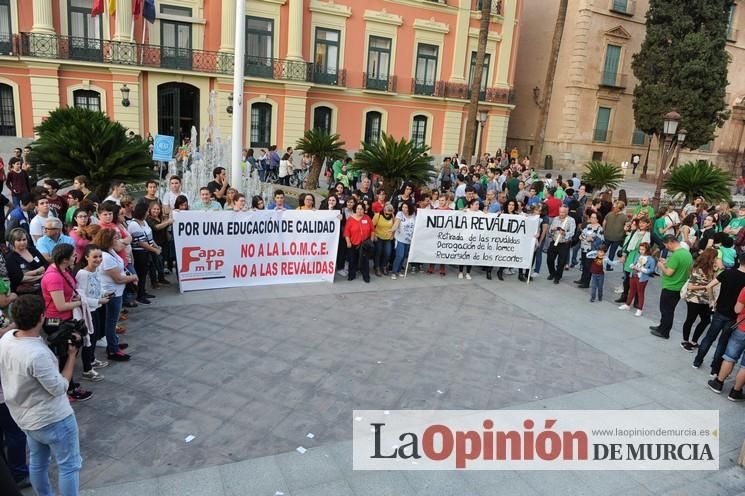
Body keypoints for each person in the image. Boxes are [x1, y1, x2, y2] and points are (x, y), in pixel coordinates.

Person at [0, 295, 82, 496]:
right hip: (53, 418)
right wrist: (71, 356)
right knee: (69, 465)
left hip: (24, 416)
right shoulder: (37, 354)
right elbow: (59, 387)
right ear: (41, 317)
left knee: (37, 461)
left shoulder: (7, 339)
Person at [40, 244, 92, 402]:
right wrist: (81, 303)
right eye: (73, 255)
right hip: (57, 321)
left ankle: (68, 385)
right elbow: (60, 305)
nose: (76, 256)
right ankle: (67, 389)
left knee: (70, 352)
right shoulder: (54, 277)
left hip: (67, 319)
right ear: (64, 259)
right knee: (66, 354)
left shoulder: (63, 270)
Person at [693, 253, 745, 373]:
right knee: (723, 342)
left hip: (720, 310)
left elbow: (709, 286)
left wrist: (712, 300)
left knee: (709, 337)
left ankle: (697, 361)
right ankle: (714, 369)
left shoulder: (727, 272)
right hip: (734, 315)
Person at [92, 228, 137, 362]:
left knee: (111, 320)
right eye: (116, 238)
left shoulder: (110, 251)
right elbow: (118, 278)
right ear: (109, 240)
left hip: (117, 291)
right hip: (112, 292)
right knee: (111, 322)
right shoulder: (105, 257)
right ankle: (113, 350)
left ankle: (113, 343)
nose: (118, 240)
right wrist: (132, 277)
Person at [650, 235, 693, 339]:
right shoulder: (687, 254)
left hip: (671, 286)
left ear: (670, 242)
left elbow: (669, 272)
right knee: (669, 309)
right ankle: (661, 327)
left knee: (666, 310)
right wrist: (667, 263)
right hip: (679, 285)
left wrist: (661, 266)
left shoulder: (676, 255)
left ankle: (664, 332)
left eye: (666, 245)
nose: (666, 248)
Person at [707, 284, 745, 401]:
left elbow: (737, 309)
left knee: (730, 357)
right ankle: (735, 392)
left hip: (742, 328)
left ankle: (718, 383)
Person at [680, 248, 717, 352]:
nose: (716, 259)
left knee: (705, 320)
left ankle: (694, 341)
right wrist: (705, 286)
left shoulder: (711, 269)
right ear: (710, 258)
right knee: (690, 319)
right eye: (715, 257)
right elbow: (691, 287)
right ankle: (685, 341)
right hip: (694, 298)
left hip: (704, 299)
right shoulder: (697, 269)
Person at [128, 202, 161, 305]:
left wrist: (156, 246)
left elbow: (149, 237)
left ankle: (143, 292)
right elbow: (141, 242)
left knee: (144, 273)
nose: (148, 213)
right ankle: (140, 295)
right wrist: (155, 250)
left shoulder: (144, 222)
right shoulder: (134, 224)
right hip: (139, 253)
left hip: (147, 252)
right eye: (147, 211)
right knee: (141, 274)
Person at [618, 242, 655, 317]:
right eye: (640, 249)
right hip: (633, 275)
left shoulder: (651, 259)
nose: (641, 251)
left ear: (647, 250)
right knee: (631, 291)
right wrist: (632, 266)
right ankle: (627, 304)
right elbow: (633, 263)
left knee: (640, 293)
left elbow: (651, 270)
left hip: (642, 278)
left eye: (643, 249)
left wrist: (642, 269)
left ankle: (639, 309)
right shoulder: (638, 256)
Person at [6, 228, 47, 295]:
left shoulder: (32, 250)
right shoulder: (10, 257)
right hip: (24, 294)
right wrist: (41, 276)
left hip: (42, 289)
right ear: (13, 242)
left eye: (24, 239)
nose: (22, 242)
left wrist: (32, 272)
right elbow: (19, 278)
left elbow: (46, 264)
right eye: (19, 240)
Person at [343, 202, 373, 283]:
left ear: (364, 210)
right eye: (358, 209)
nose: (359, 210)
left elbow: (372, 230)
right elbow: (346, 232)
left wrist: (372, 240)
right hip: (353, 243)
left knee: (365, 260)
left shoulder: (367, 218)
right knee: (352, 260)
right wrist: (348, 242)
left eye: (361, 209)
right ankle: (351, 275)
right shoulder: (350, 219)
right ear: (355, 209)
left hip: (364, 244)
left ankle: (366, 276)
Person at [546, 206, 576, 284]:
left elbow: (572, 232)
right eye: (560, 212)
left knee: (561, 262)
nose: (561, 214)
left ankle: (558, 277)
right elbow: (550, 230)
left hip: (564, 243)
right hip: (554, 241)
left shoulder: (571, 220)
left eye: (563, 212)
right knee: (549, 259)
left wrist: (564, 233)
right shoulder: (555, 219)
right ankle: (552, 273)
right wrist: (553, 230)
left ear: (567, 212)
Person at [576, 212, 604, 288]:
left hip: (591, 250)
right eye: (591, 217)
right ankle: (582, 279)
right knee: (584, 264)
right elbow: (583, 233)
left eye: (594, 217)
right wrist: (582, 236)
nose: (591, 219)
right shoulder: (588, 225)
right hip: (584, 248)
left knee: (588, 266)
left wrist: (592, 240)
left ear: (598, 219)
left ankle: (586, 283)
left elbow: (600, 241)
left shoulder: (599, 228)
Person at [390, 203, 416, 280]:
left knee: (404, 256)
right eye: (403, 207)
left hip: (409, 240)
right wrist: (392, 229)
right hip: (400, 239)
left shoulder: (413, 214)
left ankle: (398, 271)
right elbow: (396, 223)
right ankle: (394, 272)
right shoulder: (400, 214)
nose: (404, 209)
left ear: (409, 208)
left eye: (406, 207)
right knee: (399, 255)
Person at [372, 204, 395, 277]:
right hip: (378, 237)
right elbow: (372, 225)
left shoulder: (392, 216)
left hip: (388, 238)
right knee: (378, 253)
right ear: (384, 210)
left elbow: (394, 226)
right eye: (386, 211)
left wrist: (392, 235)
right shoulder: (378, 215)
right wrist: (374, 235)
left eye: (390, 211)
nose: (387, 213)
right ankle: (377, 267)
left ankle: (384, 266)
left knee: (387, 253)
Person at [603, 201, 627, 271]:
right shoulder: (624, 217)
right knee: (612, 253)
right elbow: (626, 227)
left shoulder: (609, 214)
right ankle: (608, 266)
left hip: (607, 236)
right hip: (617, 237)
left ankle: (599, 263)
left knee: (603, 250)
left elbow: (604, 223)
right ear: (622, 209)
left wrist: (605, 231)